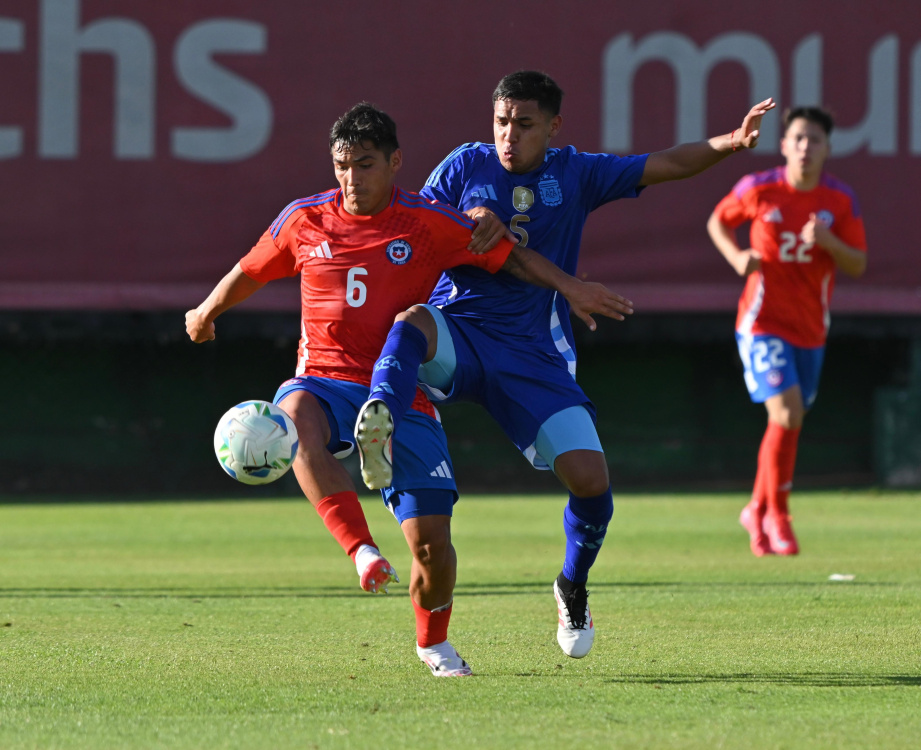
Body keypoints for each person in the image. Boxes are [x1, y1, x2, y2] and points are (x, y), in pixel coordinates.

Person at [185, 102, 631, 676]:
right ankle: (362, 550)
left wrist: (568, 286)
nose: (352, 178)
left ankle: (433, 643)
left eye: (366, 165)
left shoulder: (426, 221)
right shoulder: (305, 220)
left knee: (432, 551)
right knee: (292, 415)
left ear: (395, 163)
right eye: (342, 165)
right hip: (323, 377)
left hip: (401, 392)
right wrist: (205, 311)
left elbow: (508, 258)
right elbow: (251, 269)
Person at [354, 70, 775, 661]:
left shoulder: (575, 172)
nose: (509, 136)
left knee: (592, 483)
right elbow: (421, 230)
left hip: (532, 352)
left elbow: (664, 164)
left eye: (524, 125)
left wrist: (731, 142)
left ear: (552, 127)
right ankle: (382, 421)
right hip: (461, 329)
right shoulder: (462, 166)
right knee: (411, 324)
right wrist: (466, 223)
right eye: (502, 121)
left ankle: (572, 584)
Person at [707, 106, 867, 557]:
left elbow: (858, 263)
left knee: (789, 421)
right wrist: (738, 259)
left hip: (810, 328)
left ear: (827, 149)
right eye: (797, 138)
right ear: (783, 145)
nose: (805, 147)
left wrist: (830, 242)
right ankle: (778, 514)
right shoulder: (761, 189)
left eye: (814, 140)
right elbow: (718, 220)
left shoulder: (839, 200)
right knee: (787, 412)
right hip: (761, 322)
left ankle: (755, 508)